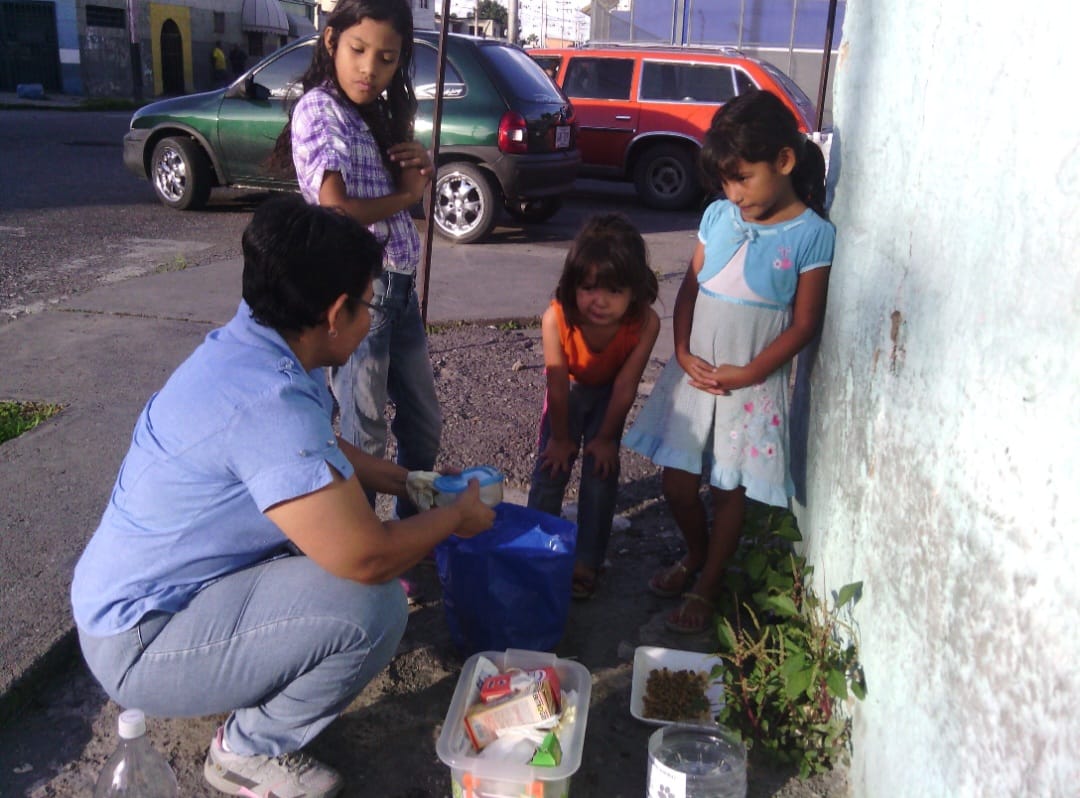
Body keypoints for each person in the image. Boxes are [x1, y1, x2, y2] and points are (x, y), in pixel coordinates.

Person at [70, 195, 495, 798]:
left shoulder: (257, 344)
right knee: (373, 607)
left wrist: (413, 484)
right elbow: (367, 557)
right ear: (335, 314)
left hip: (140, 601)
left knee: (323, 546)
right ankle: (246, 750)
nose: (370, 317)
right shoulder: (268, 402)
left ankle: (251, 670)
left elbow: (319, 451)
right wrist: (454, 518)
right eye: (368, 304)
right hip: (140, 642)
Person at [623, 88, 835, 634]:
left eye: (742, 178)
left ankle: (709, 582)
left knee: (727, 488)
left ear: (783, 161)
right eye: (725, 181)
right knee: (676, 483)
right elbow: (690, 288)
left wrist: (753, 373)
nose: (733, 193)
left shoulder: (812, 236)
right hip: (695, 374)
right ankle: (696, 553)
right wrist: (681, 350)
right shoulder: (718, 216)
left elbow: (805, 324)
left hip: (750, 385)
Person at [271, 0, 440, 524]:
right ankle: (362, 549)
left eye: (387, 59)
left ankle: (411, 535)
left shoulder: (374, 112)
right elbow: (337, 208)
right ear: (331, 41)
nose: (370, 69)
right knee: (364, 434)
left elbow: (395, 190)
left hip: (399, 288)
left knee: (424, 424)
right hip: (360, 294)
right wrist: (407, 197)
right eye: (358, 50)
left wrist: (418, 168)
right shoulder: (320, 108)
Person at [527, 213, 660, 600]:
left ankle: (588, 561)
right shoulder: (556, 317)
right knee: (551, 470)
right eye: (588, 288)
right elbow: (557, 383)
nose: (599, 301)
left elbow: (626, 385)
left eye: (614, 290)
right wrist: (561, 438)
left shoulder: (646, 323)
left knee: (601, 473)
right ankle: (536, 551)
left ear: (635, 290)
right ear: (572, 284)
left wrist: (605, 438)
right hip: (567, 392)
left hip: (610, 396)